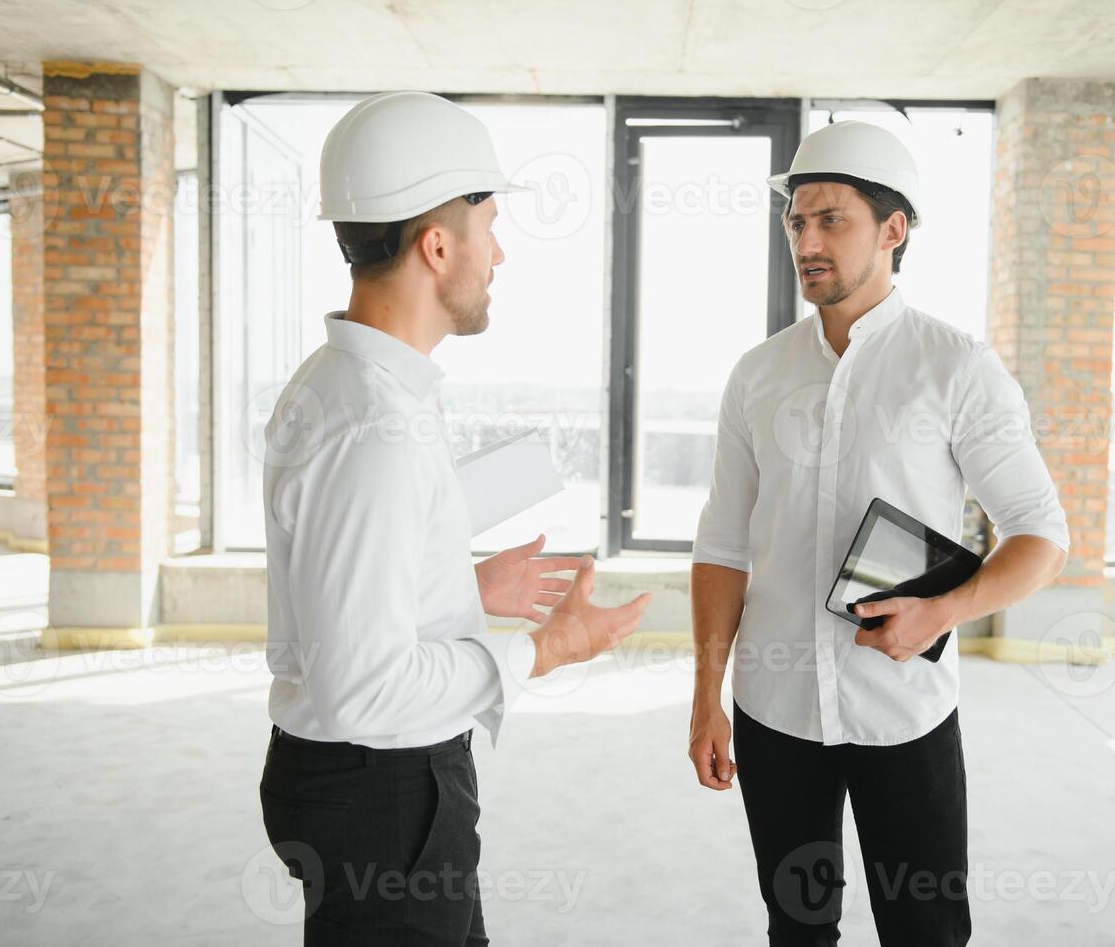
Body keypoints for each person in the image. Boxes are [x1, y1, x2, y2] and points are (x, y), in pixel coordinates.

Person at [258, 91, 652, 945]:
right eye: (489, 225)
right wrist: (550, 648)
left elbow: (343, 582)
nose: (500, 253)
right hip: (384, 792)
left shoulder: (341, 383)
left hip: (353, 785)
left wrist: (457, 583)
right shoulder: (376, 424)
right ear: (437, 247)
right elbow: (364, 687)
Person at [687, 120, 1070, 946]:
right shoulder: (757, 374)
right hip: (773, 706)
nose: (806, 240)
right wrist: (704, 696)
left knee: (924, 930)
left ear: (893, 230)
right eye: (796, 222)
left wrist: (941, 612)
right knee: (796, 928)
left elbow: (1040, 533)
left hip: (904, 712)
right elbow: (720, 545)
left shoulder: (956, 368)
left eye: (831, 220)